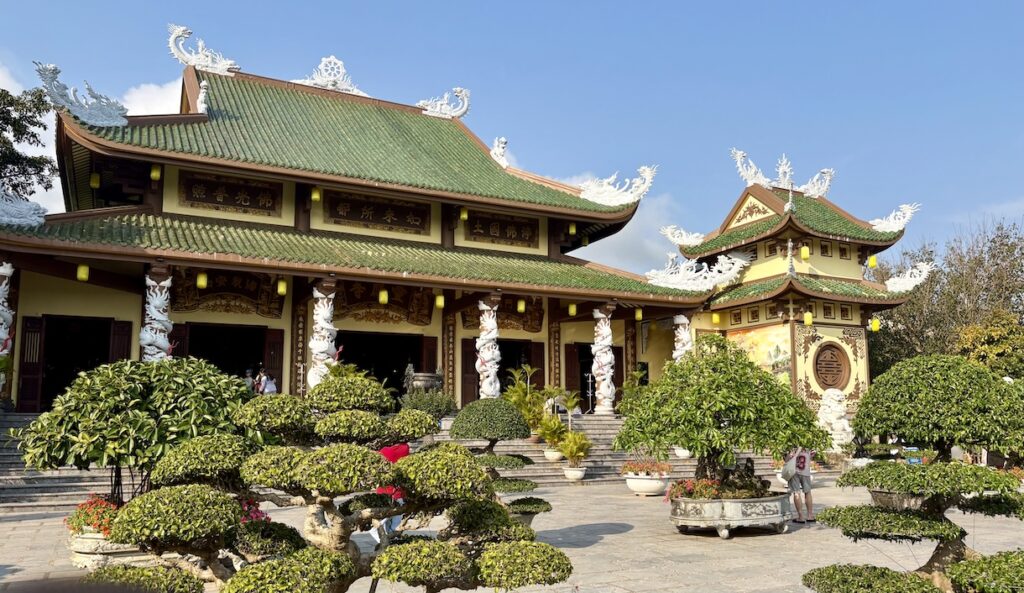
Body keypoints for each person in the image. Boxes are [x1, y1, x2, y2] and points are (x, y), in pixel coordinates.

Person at [787, 446, 815, 523]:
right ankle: (810, 515)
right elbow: (811, 457)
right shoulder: (808, 447)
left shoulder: (791, 447)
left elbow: (787, 460)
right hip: (805, 472)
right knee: (808, 492)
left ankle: (801, 516)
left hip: (794, 472)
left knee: (796, 492)